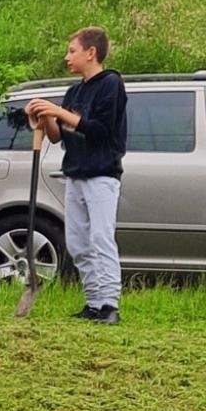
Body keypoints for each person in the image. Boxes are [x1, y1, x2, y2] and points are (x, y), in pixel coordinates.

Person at [25, 27, 128, 326]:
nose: (66, 57)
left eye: (72, 51)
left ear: (91, 52)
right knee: (78, 242)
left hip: (102, 174)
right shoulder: (74, 92)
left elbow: (99, 130)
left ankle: (110, 304)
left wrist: (58, 111)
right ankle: (93, 303)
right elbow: (57, 136)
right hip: (75, 173)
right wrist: (47, 116)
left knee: (100, 237)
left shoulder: (111, 84)